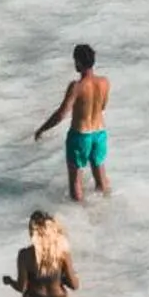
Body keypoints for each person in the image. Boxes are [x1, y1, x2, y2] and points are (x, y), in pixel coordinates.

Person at [34, 42, 111, 202]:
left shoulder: (77, 87)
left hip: (80, 136)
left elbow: (61, 114)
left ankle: (79, 216)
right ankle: (105, 211)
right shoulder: (104, 82)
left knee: (76, 182)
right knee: (101, 179)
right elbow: (102, 106)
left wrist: (42, 129)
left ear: (79, 62)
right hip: (100, 133)